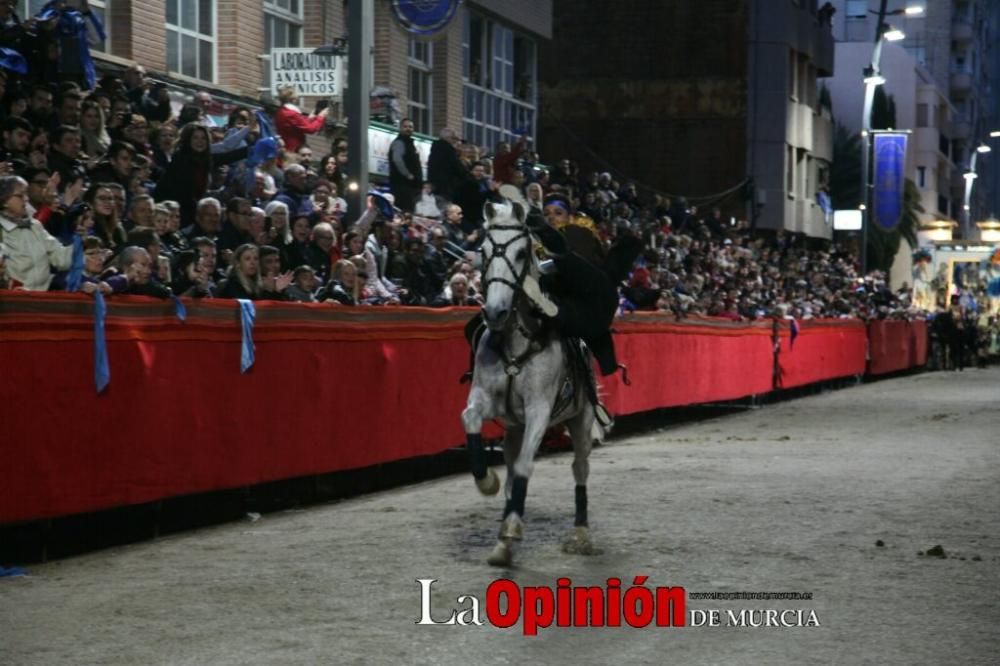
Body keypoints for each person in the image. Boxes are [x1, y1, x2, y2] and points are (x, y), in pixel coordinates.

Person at [520, 193, 643, 376]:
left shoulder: (578, 234)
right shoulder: (529, 243)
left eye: (558, 213)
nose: (551, 217)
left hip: (584, 302)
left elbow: (579, 269)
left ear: (569, 217)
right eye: (546, 214)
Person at [0, 174, 78, 290]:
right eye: (20, 195)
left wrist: (82, 246)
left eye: (26, 194)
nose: (26, 199)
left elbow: (61, 259)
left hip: (42, 300)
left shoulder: (35, 226)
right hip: (12, 301)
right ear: (4, 201)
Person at [388, 118, 421, 212]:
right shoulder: (400, 142)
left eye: (410, 127)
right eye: (405, 126)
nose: (408, 129)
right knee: (405, 211)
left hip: (407, 186)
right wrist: (407, 174)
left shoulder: (408, 143)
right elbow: (397, 160)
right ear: (400, 128)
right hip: (402, 185)